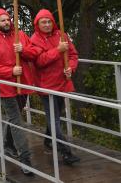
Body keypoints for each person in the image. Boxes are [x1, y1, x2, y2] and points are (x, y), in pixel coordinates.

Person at [0, 8, 39, 175]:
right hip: (5, 87)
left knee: (15, 118)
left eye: (8, 20)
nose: (6, 22)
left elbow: (34, 53)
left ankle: (8, 145)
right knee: (16, 120)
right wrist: (10, 71)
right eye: (3, 20)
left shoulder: (20, 35)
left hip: (23, 85)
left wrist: (23, 50)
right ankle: (25, 159)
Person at [31, 9, 80, 165]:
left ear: (53, 22)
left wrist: (71, 68)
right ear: (37, 24)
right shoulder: (35, 39)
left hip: (62, 82)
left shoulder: (62, 35)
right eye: (43, 22)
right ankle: (65, 152)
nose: (47, 24)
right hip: (46, 85)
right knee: (55, 120)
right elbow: (39, 61)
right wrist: (57, 51)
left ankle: (48, 140)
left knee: (56, 114)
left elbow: (73, 55)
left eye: (49, 21)